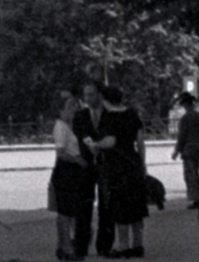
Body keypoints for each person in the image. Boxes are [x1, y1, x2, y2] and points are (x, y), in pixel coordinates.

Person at [91, 83, 147, 259]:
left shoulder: (109, 118)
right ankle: (138, 245)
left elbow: (110, 142)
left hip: (117, 167)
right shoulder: (132, 114)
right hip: (133, 164)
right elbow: (140, 141)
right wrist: (142, 163)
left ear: (106, 100)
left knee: (120, 207)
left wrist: (95, 145)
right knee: (136, 206)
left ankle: (123, 247)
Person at [73, 79, 113, 259]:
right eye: (85, 94)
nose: (87, 98)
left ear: (99, 94)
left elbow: (113, 134)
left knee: (106, 205)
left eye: (91, 94)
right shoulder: (80, 115)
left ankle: (104, 245)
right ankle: (81, 247)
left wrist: (100, 145)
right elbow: (80, 134)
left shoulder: (110, 113)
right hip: (86, 165)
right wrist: (90, 144)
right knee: (84, 205)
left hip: (106, 164)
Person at [51, 92, 87, 261]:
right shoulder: (60, 127)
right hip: (65, 170)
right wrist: (77, 160)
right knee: (65, 213)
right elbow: (60, 153)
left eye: (75, 105)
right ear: (60, 110)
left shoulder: (69, 125)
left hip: (72, 172)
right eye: (70, 106)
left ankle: (63, 246)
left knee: (69, 211)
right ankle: (67, 248)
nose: (73, 109)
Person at [171, 92, 199, 209]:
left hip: (188, 149)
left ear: (185, 105)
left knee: (190, 174)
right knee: (196, 172)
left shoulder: (185, 119)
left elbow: (182, 137)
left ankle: (197, 199)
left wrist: (176, 151)